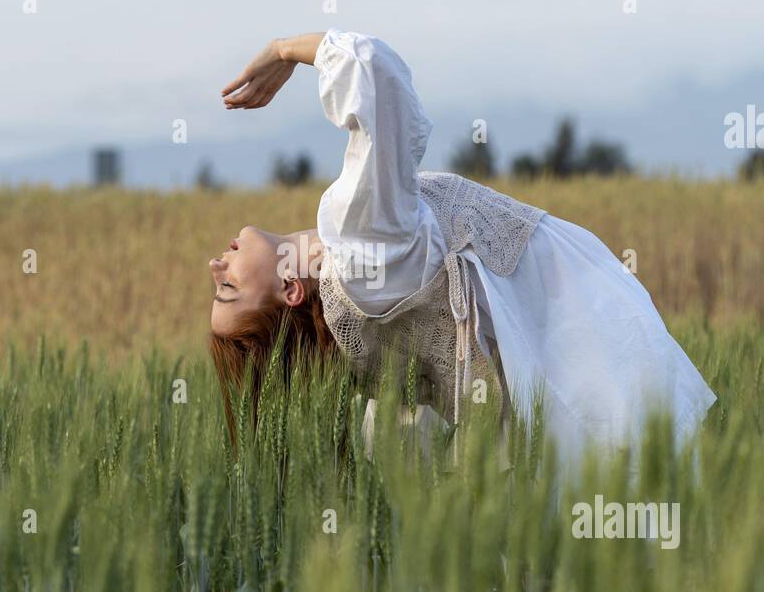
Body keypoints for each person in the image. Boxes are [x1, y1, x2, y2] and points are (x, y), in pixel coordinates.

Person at [209, 30, 716, 462]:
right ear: (291, 290)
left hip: (570, 401)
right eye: (227, 288)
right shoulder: (362, 257)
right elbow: (373, 74)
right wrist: (282, 51)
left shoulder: (361, 344)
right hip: (591, 354)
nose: (216, 265)